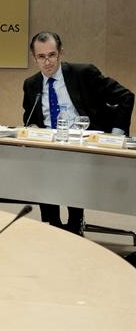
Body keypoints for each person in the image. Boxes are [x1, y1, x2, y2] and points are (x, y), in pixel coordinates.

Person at [23, 31, 133, 235]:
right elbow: (30, 118)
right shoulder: (31, 84)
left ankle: (74, 223)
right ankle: (53, 224)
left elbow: (126, 97)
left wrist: (116, 136)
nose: (47, 62)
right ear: (34, 57)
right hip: (48, 148)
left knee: (69, 167)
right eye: (41, 57)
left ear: (61, 52)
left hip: (82, 146)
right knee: (41, 165)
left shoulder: (83, 73)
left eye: (52, 55)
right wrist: (33, 127)